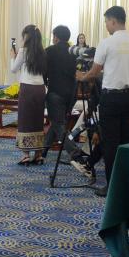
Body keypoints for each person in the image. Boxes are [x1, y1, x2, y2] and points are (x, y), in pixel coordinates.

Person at [76, 6, 129, 197]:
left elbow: (94, 72)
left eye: (106, 21)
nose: (106, 25)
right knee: (128, 142)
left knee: (110, 143)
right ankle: (127, 184)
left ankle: (112, 186)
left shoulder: (107, 43)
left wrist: (81, 77)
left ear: (113, 21)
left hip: (112, 99)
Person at [11, 24, 48, 165]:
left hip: (27, 87)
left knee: (25, 119)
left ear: (27, 36)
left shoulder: (23, 51)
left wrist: (12, 57)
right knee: (38, 119)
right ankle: (38, 154)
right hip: (40, 88)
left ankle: (26, 155)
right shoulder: (43, 52)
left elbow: (13, 69)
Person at [42, 25, 78, 161]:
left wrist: (44, 83)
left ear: (56, 37)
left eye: (53, 36)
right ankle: (43, 151)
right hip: (71, 94)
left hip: (55, 92)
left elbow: (43, 71)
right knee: (57, 122)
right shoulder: (74, 51)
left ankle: (75, 152)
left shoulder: (49, 51)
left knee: (58, 124)